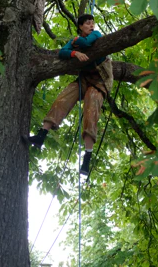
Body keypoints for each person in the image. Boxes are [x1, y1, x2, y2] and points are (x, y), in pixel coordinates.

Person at [26, 14, 113, 177]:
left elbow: (86, 42)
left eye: (92, 23)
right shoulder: (75, 41)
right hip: (85, 79)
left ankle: (87, 157)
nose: (91, 25)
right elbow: (63, 53)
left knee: (90, 108)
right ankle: (41, 135)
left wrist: (76, 44)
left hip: (101, 81)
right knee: (62, 99)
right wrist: (74, 54)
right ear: (80, 26)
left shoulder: (96, 35)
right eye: (87, 23)